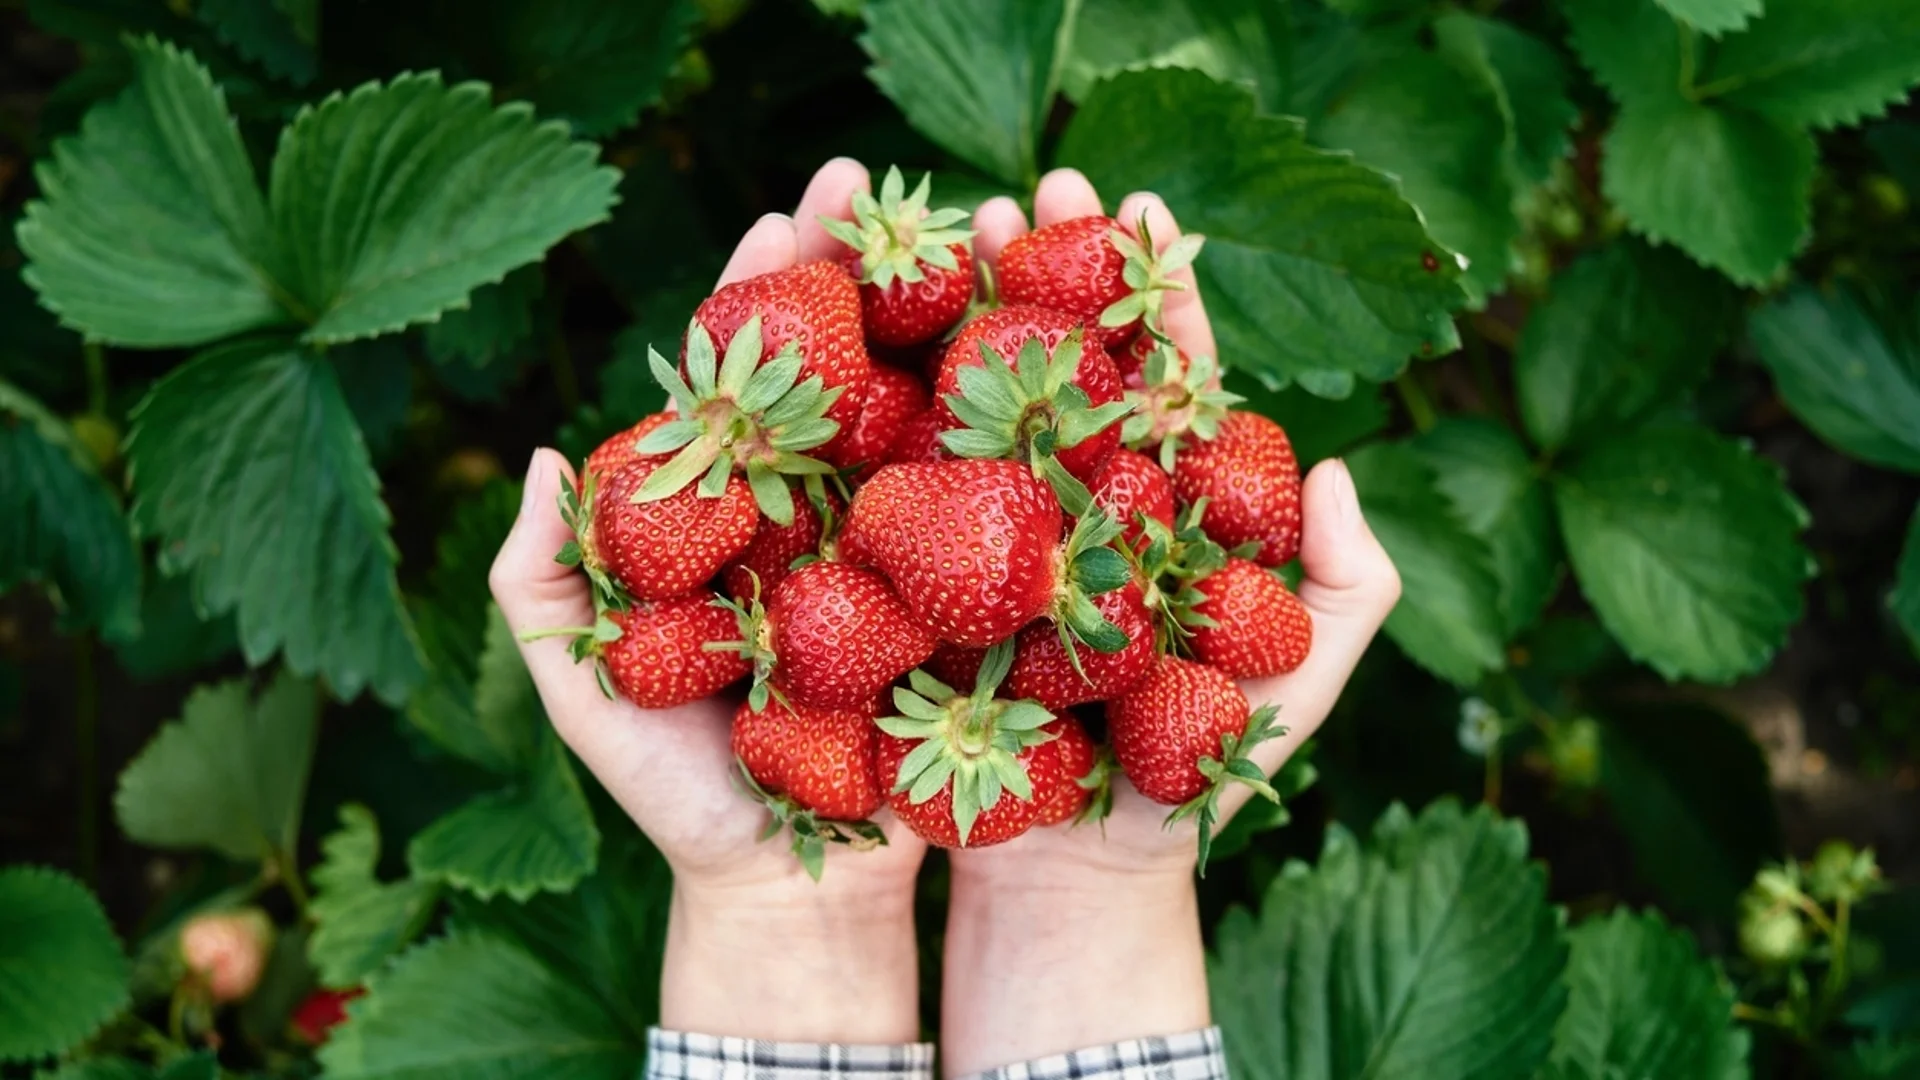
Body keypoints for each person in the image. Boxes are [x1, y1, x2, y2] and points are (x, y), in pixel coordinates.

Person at [490, 158, 1402, 1080]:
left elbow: (934, 534)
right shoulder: (969, 516)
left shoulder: (1007, 532)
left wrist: (763, 912)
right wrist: (1104, 892)